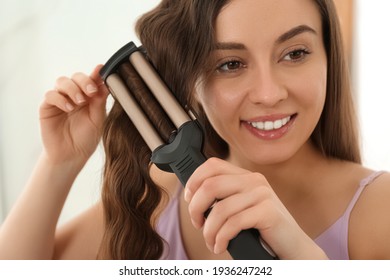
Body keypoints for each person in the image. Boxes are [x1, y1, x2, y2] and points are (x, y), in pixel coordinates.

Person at [1, 0, 390, 260]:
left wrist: (301, 256)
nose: (269, 94)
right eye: (230, 64)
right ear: (190, 85)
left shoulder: (378, 210)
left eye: (295, 53)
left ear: (328, 59)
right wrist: (59, 164)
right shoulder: (162, 195)